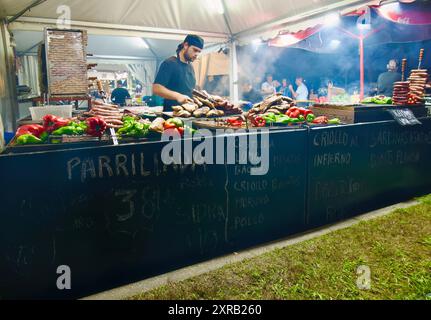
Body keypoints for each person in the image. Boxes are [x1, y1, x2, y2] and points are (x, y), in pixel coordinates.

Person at [153, 34, 204, 111]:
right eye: (195, 50)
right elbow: (156, 88)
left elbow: (187, 89)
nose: (197, 54)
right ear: (186, 45)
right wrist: (178, 96)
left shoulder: (190, 66)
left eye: (199, 52)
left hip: (188, 114)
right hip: (171, 116)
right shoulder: (169, 63)